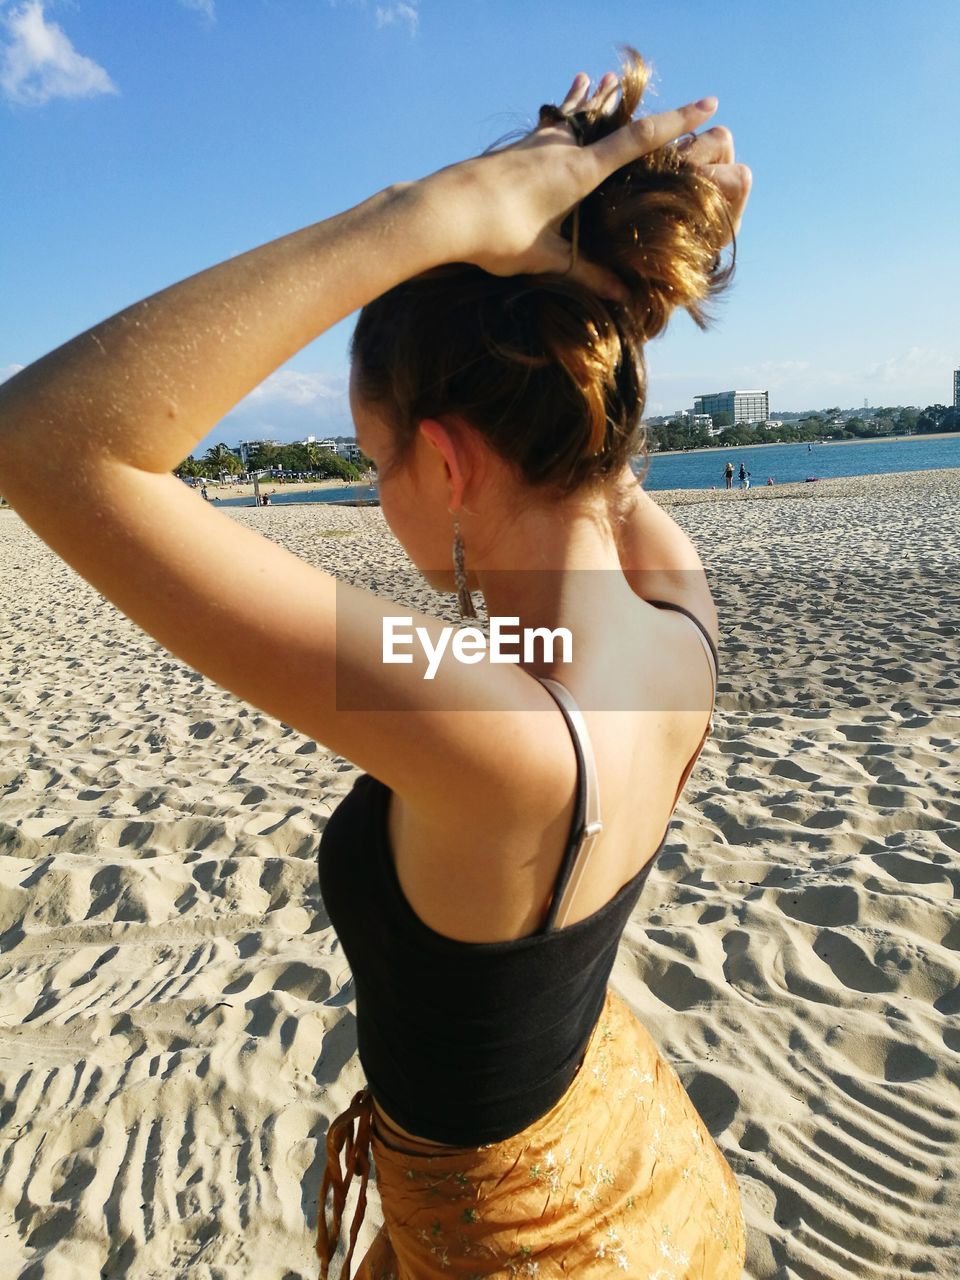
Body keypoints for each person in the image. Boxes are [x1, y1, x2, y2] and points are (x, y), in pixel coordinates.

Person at [0, 47, 751, 1279]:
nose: (376, 490)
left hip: (511, 1248)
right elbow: (603, 464)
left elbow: (43, 444)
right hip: (631, 1156)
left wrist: (423, 216)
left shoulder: (494, 731)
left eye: (374, 456)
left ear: (446, 466)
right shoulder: (681, 619)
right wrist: (603, 279)